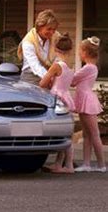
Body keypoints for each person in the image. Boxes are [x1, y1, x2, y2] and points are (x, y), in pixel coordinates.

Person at [39, 33, 75, 173]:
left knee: (62, 134)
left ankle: (69, 165)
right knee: (66, 133)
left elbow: (43, 82)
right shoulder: (70, 65)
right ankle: (60, 164)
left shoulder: (57, 65)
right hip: (67, 97)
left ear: (55, 49)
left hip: (56, 97)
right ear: (70, 49)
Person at [72, 37, 106, 173]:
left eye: (80, 51)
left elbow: (73, 80)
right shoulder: (90, 68)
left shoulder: (89, 68)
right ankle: (86, 163)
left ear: (85, 52)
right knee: (86, 135)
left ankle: (101, 164)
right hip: (84, 100)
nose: (79, 53)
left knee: (94, 134)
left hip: (87, 101)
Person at [17, 9, 59, 85]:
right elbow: (35, 65)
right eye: (49, 29)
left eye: (54, 29)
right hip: (30, 78)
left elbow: (58, 58)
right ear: (39, 27)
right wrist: (49, 78)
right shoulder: (28, 41)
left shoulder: (55, 37)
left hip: (50, 76)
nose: (52, 32)